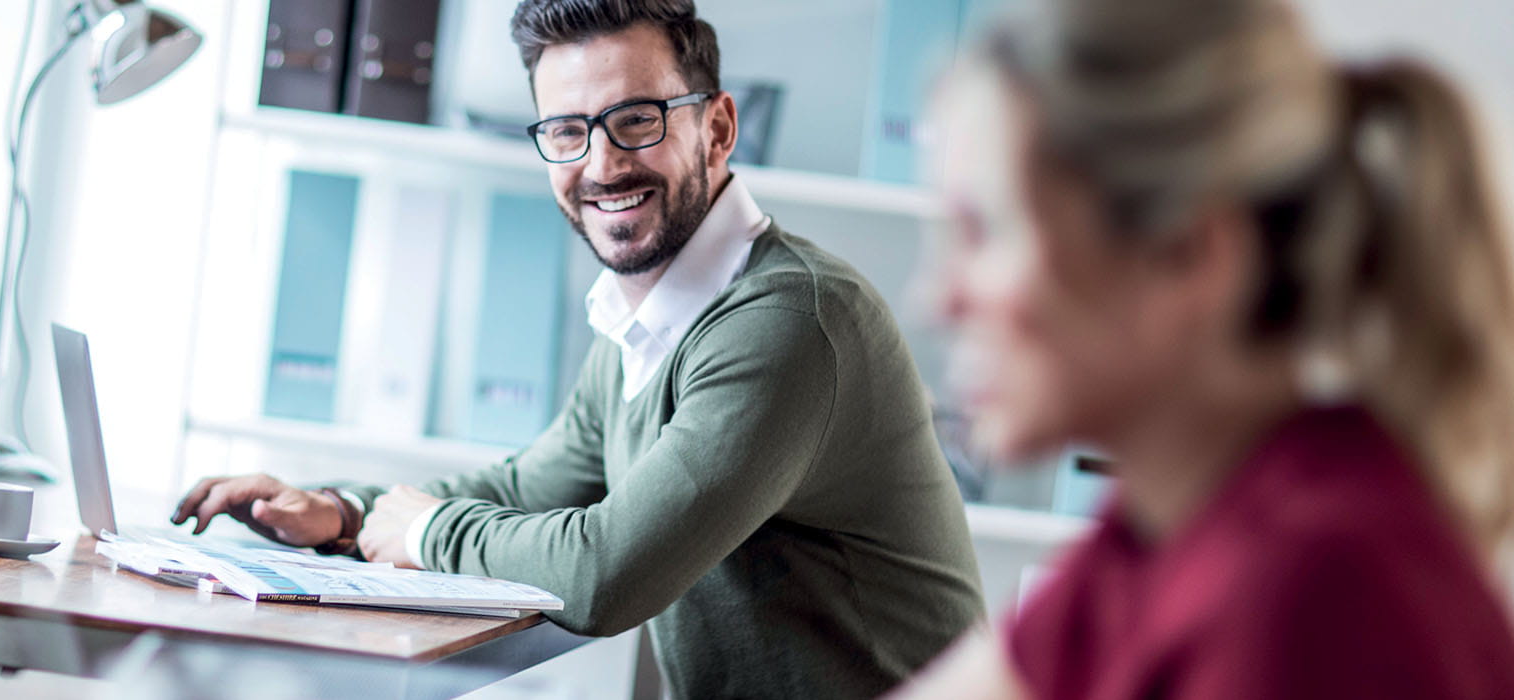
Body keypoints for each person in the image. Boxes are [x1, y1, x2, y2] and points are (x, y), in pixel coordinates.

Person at [171, 1, 986, 696]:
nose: (601, 164)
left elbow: (603, 574)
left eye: (636, 120)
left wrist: (422, 533)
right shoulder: (651, 317)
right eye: (567, 130)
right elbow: (529, 487)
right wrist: (344, 512)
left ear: (718, 128)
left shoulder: (788, 322)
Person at [891, 0, 1514, 697]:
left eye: (984, 232)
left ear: (1187, 255)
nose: (934, 299)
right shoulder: (1163, 533)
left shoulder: (1310, 593)